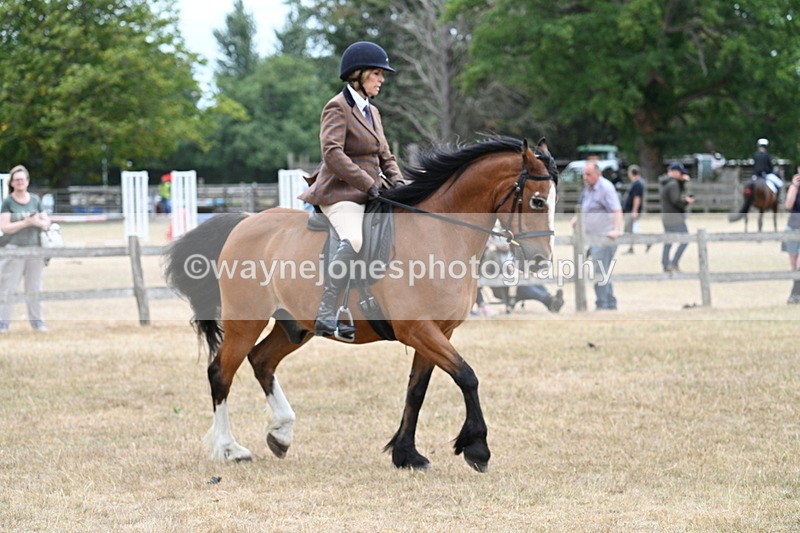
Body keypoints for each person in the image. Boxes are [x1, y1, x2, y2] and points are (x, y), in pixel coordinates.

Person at [298, 41, 404, 338]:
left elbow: (385, 155)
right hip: (339, 193)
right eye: (376, 73)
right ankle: (327, 312)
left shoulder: (373, 112)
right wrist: (369, 184)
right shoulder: (337, 107)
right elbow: (333, 153)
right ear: (357, 75)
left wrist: (399, 185)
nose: (382, 79)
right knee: (354, 237)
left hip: (372, 191)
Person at [0, 165, 52, 333]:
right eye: (17, 180)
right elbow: (5, 227)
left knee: (34, 287)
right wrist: (25, 223)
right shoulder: (8, 202)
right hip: (14, 249)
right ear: (12, 183)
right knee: (8, 287)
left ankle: (37, 323)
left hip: (34, 249)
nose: (20, 182)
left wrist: (37, 223)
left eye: (22, 179)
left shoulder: (35, 200)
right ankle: (3, 323)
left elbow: (46, 222)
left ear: (28, 181)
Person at [571, 161, 623, 310]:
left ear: (597, 174)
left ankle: (602, 303)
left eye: (589, 174)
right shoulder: (588, 189)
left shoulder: (606, 188)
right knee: (602, 270)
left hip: (604, 237)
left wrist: (616, 229)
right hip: (591, 237)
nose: (585, 178)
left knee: (600, 271)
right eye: (584, 175)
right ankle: (610, 302)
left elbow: (616, 210)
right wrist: (577, 220)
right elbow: (587, 208)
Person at [481, 238, 563, 313]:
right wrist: (500, 276)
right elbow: (485, 273)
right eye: (502, 242)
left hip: (518, 280)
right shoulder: (491, 254)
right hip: (504, 288)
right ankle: (550, 300)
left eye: (506, 242)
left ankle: (551, 300)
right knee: (525, 286)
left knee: (534, 282)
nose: (505, 245)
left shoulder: (513, 253)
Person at [730, 138, 783, 221]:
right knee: (779, 183)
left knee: (747, 185)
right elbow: (770, 168)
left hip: (756, 176)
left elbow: (755, 166)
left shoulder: (755, 155)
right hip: (766, 175)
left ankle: (746, 198)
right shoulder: (768, 155)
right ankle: (778, 198)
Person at [660, 162, 695, 273]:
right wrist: (686, 202)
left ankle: (666, 264)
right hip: (674, 217)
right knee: (685, 239)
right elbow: (676, 200)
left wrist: (683, 181)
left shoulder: (666, 183)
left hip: (666, 216)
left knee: (668, 241)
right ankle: (674, 263)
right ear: (675, 172)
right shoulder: (673, 184)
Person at [783, 172, 800, 304]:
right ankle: (796, 294)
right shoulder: (795, 187)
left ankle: (794, 294)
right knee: (793, 266)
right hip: (792, 227)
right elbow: (788, 206)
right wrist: (794, 186)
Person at [622, 165, 645, 254]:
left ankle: (646, 241)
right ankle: (631, 248)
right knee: (630, 230)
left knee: (630, 230)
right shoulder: (636, 183)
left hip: (631, 211)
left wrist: (634, 210)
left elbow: (637, 198)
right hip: (629, 210)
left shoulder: (637, 184)